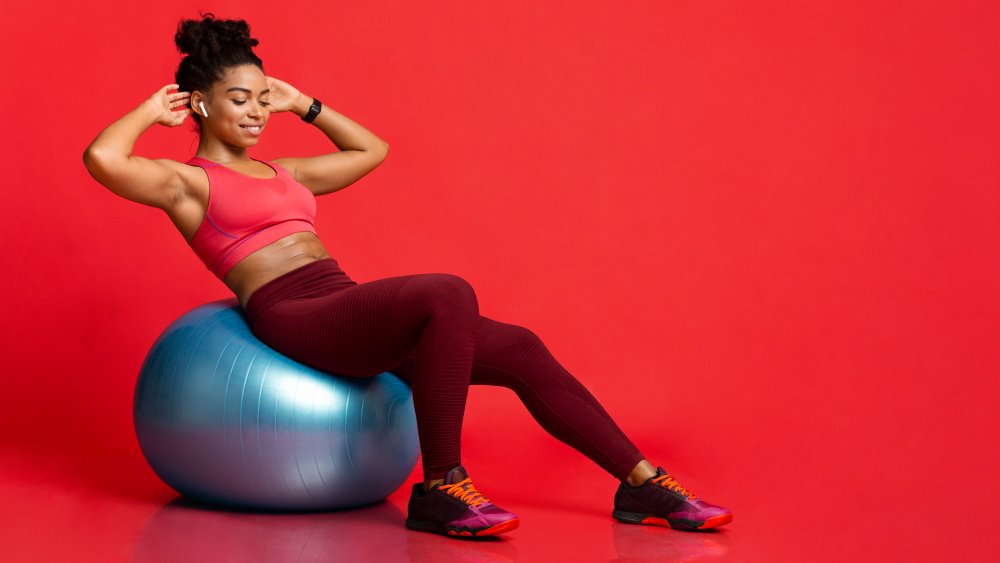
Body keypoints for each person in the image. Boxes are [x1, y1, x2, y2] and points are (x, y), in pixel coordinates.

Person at [82, 13, 732, 538]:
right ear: (198, 103)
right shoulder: (188, 184)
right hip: (293, 316)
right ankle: (442, 484)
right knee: (446, 291)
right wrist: (150, 112)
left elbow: (371, 150)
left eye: (262, 98)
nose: (256, 112)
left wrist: (303, 103)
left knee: (522, 347)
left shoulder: (288, 172)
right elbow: (102, 157)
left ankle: (641, 480)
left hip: (341, 300)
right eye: (238, 99)